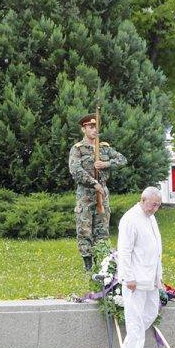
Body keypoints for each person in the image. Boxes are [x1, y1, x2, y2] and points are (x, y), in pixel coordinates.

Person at [68, 113, 127, 271]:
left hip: (102, 193)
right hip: (86, 194)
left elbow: (122, 160)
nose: (94, 130)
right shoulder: (78, 149)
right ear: (83, 129)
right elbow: (75, 170)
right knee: (84, 229)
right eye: (91, 127)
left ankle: (103, 263)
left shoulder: (104, 147)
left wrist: (106, 164)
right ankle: (88, 264)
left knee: (102, 229)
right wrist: (93, 183)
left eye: (96, 127)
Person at [117, 187, 163, 348]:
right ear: (143, 200)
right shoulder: (130, 218)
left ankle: (128, 346)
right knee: (134, 317)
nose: (155, 209)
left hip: (151, 277)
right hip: (134, 278)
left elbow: (156, 249)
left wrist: (158, 276)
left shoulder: (151, 218)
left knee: (151, 312)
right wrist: (128, 277)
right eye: (153, 205)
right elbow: (125, 250)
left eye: (158, 205)